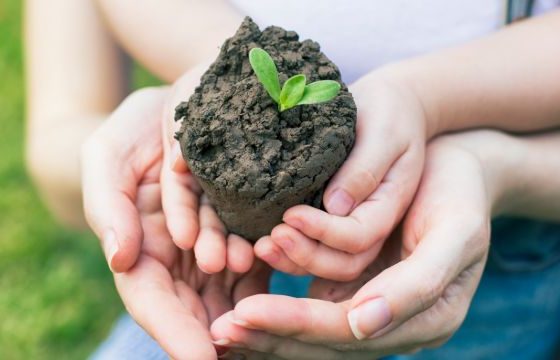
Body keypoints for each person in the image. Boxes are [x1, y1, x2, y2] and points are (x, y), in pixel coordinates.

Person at [26, 0, 560, 358]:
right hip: (205, 271)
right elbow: (56, 142)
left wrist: (493, 165)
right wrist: (130, 174)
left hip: (496, 274)